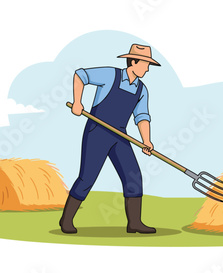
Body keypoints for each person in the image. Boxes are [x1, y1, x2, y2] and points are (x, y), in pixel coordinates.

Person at [59, 44, 160, 234]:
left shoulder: (141, 89)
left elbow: (142, 116)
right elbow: (80, 75)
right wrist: (78, 102)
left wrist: (146, 140)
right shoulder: (110, 75)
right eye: (145, 64)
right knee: (87, 177)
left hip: (120, 135)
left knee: (133, 176)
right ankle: (66, 220)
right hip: (98, 132)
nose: (147, 68)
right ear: (133, 62)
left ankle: (135, 223)